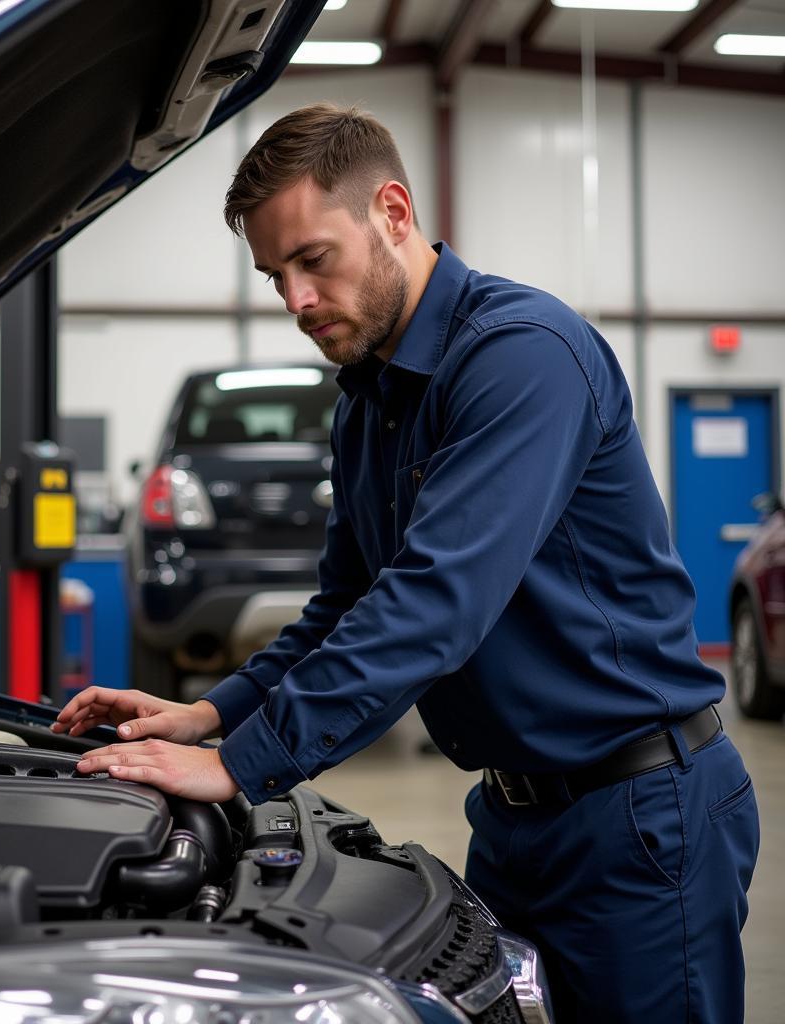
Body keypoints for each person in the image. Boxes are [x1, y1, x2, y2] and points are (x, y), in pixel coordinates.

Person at [52, 104, 758, 1022]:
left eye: (313, 260)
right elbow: (347, 606)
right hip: (515, 820)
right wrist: (210, 713)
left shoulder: (521, 357)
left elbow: (433, 604)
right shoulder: (367, 403)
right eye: (275, 276)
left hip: (637, 814)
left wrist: (243, 765)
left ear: (392, 210)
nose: (296, 301)